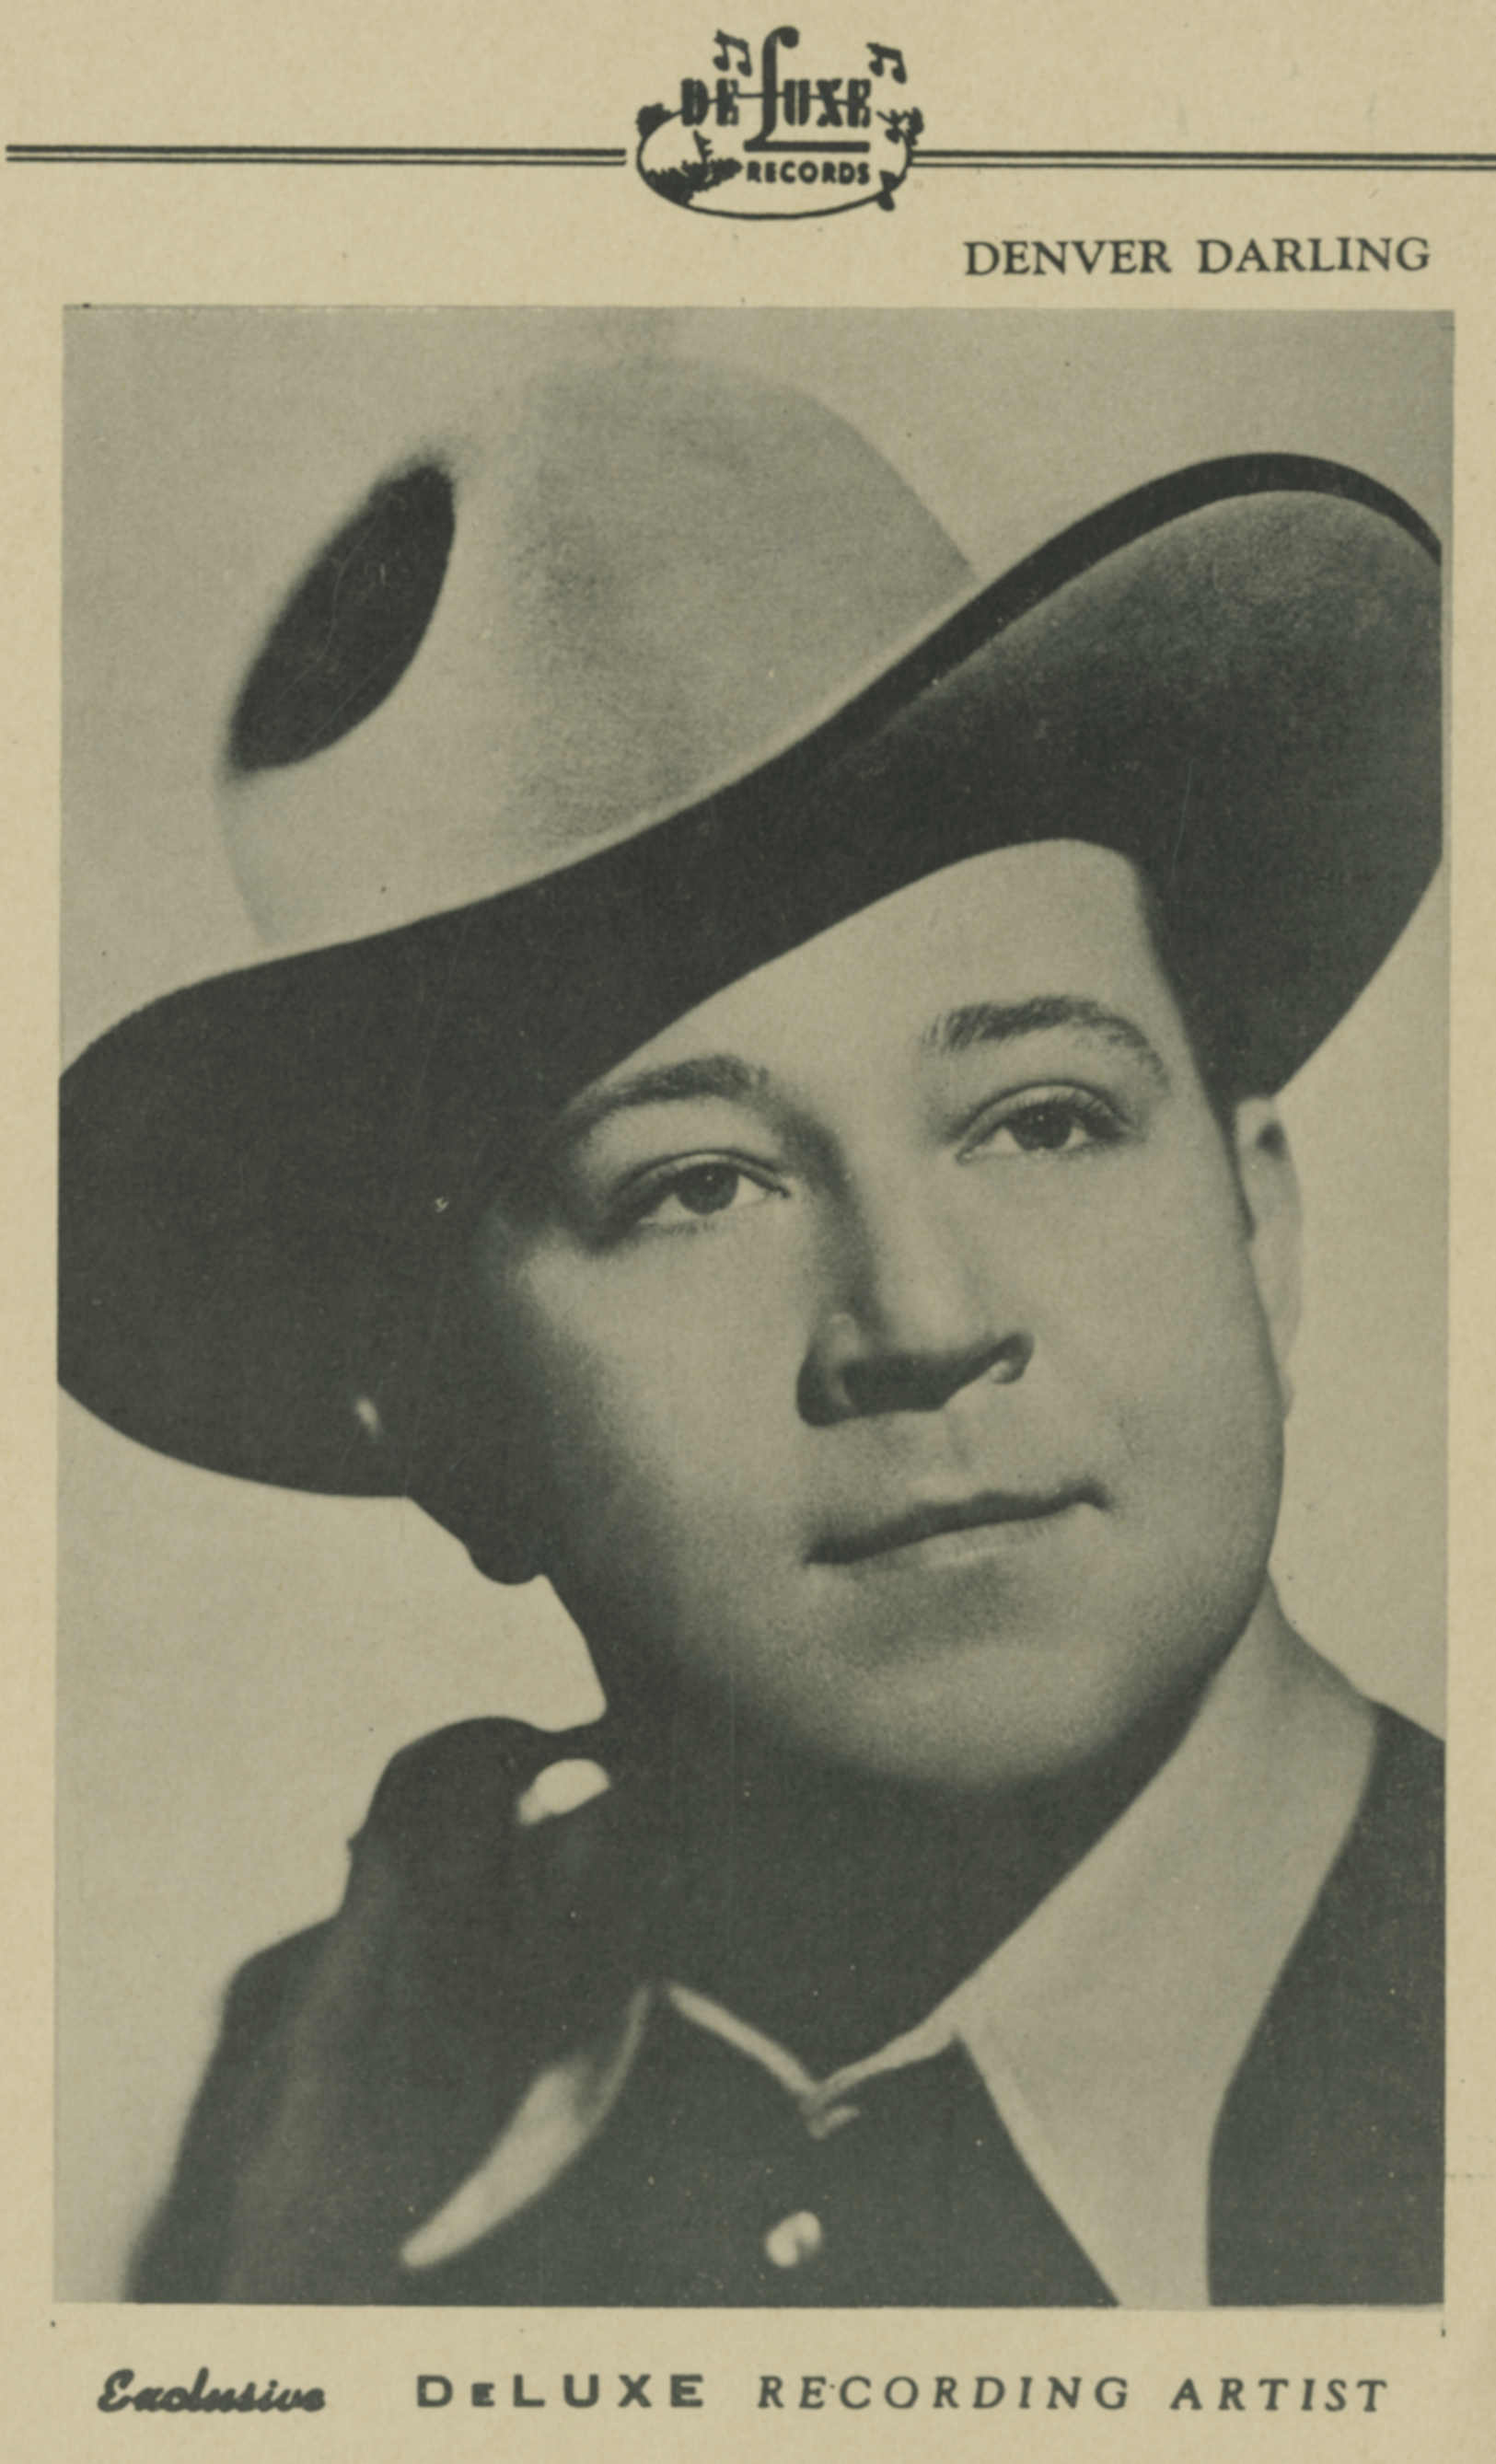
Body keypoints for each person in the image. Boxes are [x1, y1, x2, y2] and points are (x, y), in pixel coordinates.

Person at [59, 327, 1443, 2308]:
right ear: (439, 1422)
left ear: (1261, 1221)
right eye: (693, 1186)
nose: (922, 1321)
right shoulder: (316, 2124)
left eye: (1044, 1120)